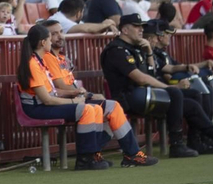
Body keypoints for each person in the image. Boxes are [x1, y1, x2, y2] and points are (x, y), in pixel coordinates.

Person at [101, 13, 213, 158]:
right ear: (125, 30)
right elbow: (140, 78)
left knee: (192, 100)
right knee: (175, 93)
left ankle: (210, 139)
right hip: (128, 98)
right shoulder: (117, 50)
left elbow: (151, 74)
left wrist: (149, 52)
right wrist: (168, 88)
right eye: (136, 27)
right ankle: (177, 144)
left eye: (142, 27)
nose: (141, 30)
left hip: (143, 93)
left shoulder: (138, 47)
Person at [18, 23, 156, 170]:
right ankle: (85, 159)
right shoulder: (34, 63)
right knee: (89, 109)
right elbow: (47, 99)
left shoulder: (39, 62)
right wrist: (74, 100)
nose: (52, 41)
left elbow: (53, 91)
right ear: (43, 42)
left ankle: (123, 155)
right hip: (37, 108)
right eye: (50, 38)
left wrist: (76, 93)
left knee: (108, 107)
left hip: (47, 104)